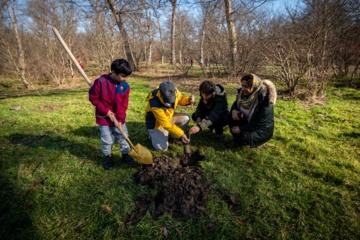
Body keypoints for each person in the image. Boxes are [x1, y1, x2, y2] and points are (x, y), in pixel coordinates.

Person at [89, 59, 135, 170]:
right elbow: (93, 98)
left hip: (119, 118)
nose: (124, 79)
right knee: (107, 139)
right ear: (113, 72)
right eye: (122, 76)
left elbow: (124, 104)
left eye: (126, 77)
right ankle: (108, 157)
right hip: (104, 118)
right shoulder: (101, 82)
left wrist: (119, 118)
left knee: (123, 136)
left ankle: (125, 155)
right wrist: (105, 111)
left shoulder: (125, 86)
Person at [227, 73, 277, 148]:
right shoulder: (242, 93)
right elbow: (236, 104)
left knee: (242, 138)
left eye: (246, 86)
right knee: (230, 118)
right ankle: (237, 139)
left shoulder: (265, 99)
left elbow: (261, 122)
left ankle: (257, 142)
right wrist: (234, 110)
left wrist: (241, 129)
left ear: (254, 87)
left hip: (261, 129)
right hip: (248, 121)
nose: (242, 89)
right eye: (242, 85)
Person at [145, 81, 195, 151]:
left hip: (168, 118)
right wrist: (181, 134)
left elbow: (181, 99)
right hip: (156, 124)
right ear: (162, 95)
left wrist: (188, 100)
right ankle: (151, 134)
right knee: (162, 148)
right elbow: (165, 123)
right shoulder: (154, 102)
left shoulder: (174, 91)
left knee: (185, 118)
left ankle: (173, 137)